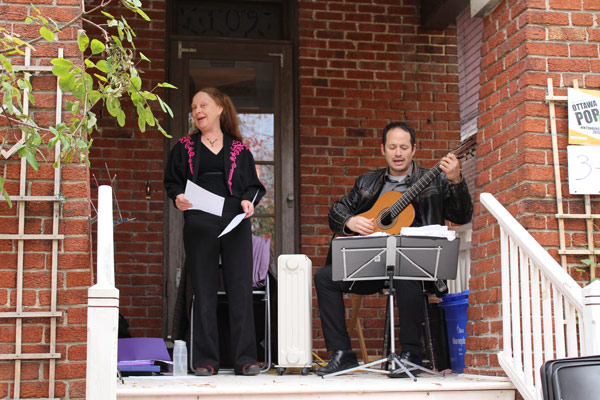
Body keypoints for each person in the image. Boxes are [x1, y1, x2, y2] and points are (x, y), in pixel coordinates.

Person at [314, 121, 473, 377]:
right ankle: (342, 353)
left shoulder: (434, 181)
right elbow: (337, 211)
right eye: (392, 147)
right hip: (370, 264)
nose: (398, 153)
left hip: (413, 266)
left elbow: (462, 214)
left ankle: (412, 354)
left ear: (414, 150)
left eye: (403, 147)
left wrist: (455, 180)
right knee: (324, 277)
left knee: (405, 267)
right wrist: (350, 221)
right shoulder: (367, 182)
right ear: (382, 150)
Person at [164, 87, 265, 376]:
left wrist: (248, 201)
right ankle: (205, 360)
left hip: (234, 221)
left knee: (240, 289)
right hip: (200, 220)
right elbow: (172, 182)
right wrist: (178, 197)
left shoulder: (239, 149)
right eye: (194, 107)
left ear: (219, 109)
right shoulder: (183, 147)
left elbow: (252, 187)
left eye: (203, 105)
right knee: (204, 291)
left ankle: (245, 359)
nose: (197, 111)